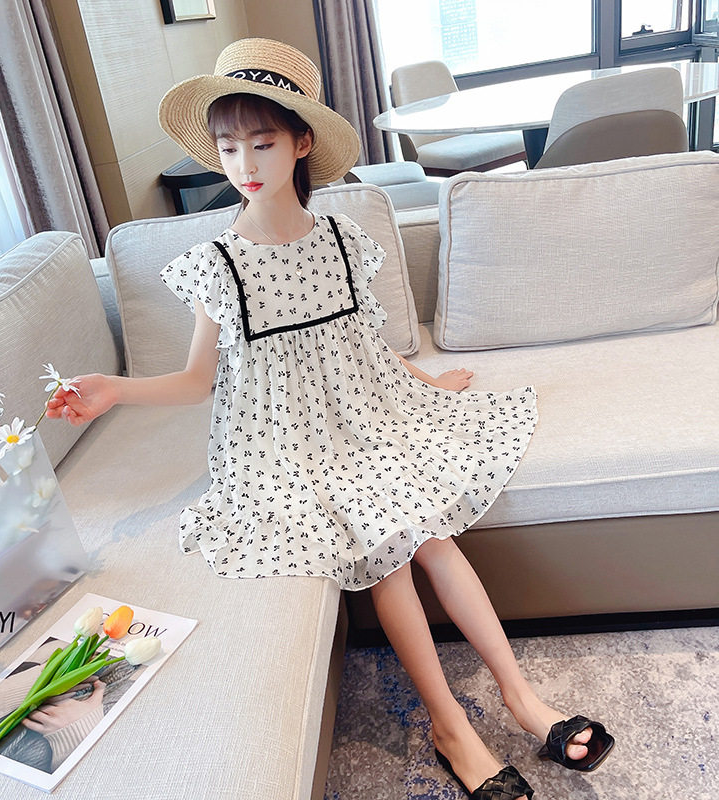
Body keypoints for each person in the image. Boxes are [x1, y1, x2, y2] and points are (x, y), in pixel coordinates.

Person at [47, 38, 613, 800]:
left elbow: (366, 346)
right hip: (280, 447)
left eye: (262, 142)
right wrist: (114, 390)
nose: (244, 163)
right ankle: (449, 724)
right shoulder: (219, 263)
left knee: (434, 537)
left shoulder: (343, 241)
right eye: (228, 147)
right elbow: (194, 383)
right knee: (388, 547)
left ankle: (521, 697)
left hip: (364, 418)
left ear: (301, 142)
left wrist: (428, 381)